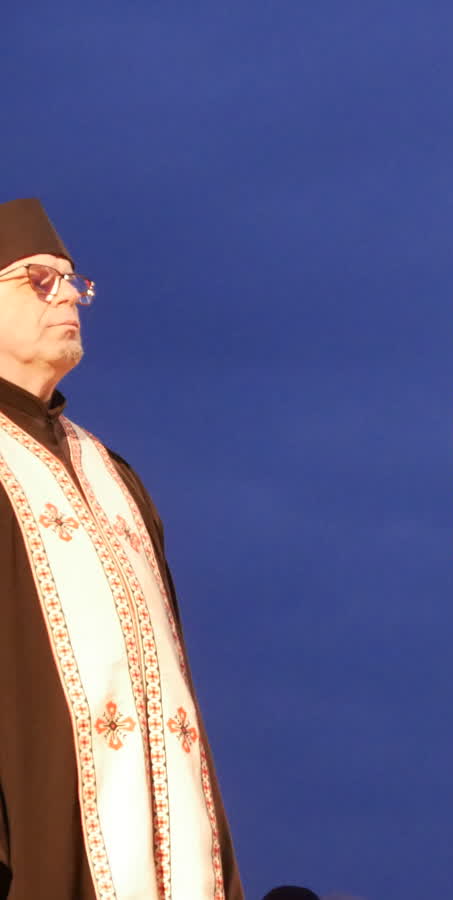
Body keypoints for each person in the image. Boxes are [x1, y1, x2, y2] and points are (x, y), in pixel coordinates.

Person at [0, 197, 244, 898]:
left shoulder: (116, 476)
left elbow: (173, 678)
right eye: (38, 279)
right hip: (38, 828)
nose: (65, 296)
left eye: (71, 281)